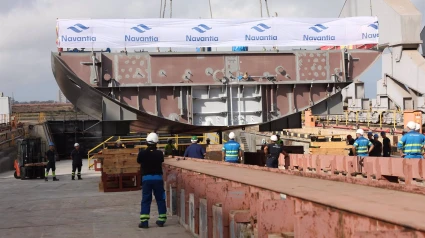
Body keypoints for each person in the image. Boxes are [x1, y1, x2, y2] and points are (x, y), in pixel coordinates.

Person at [137, 133, 167, 229]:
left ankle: (144, 222)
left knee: (146, 200)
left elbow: (139, 161)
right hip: (158, 179)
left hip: (146, 179)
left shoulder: (141, 153)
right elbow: (161, 161)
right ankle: (161, 220)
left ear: (146, 142)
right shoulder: (159, 153)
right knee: (160, 199)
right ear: (156, 143)